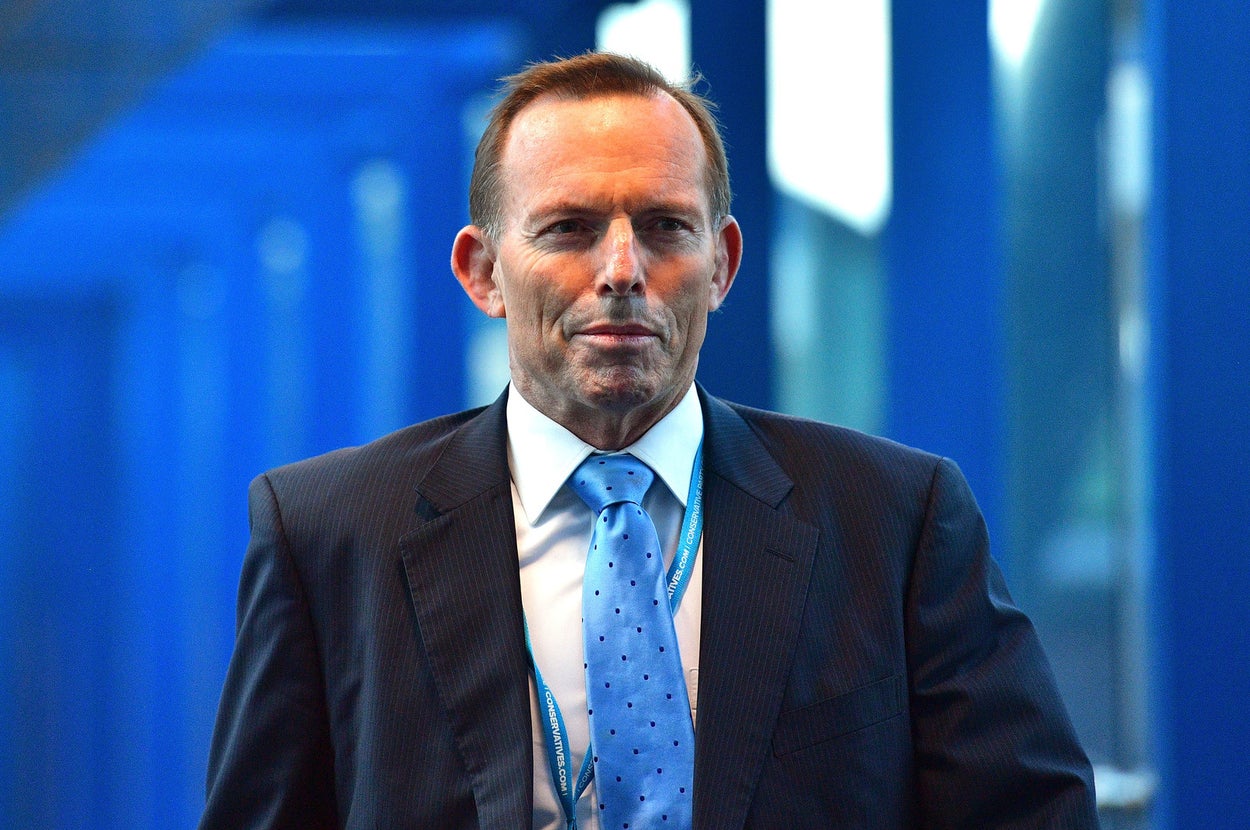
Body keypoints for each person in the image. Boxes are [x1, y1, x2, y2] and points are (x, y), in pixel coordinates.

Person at [200, 52, 1099, 829]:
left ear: (723, 264)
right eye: (569, 229)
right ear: (483, 272)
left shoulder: (893, 521)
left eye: (666, 227)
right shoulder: (330, 532)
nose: (623, 271)